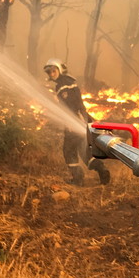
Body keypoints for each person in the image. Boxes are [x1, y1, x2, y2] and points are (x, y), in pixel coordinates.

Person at [44, 58, 110, 186]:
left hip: (73, 121)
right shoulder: (70, 81)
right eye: (49, 72)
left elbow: (70, 105)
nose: (51, 74)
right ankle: (101, 169)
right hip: (80, 119)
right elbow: (78, 103)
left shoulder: (63, 85)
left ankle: (77, 179)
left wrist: (69, 121)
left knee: (68, 150)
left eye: (53, 71)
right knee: (83, 150)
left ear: (60, 69)